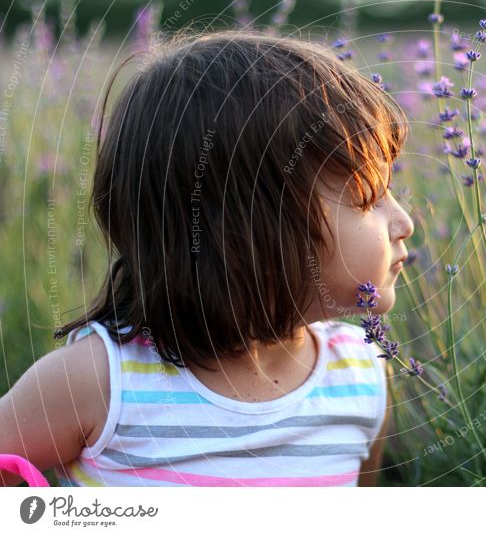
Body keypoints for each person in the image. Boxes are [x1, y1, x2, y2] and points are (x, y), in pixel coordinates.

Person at [0, 31, 414, 487]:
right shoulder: (98, 382)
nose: (404, 221)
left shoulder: (360, 375)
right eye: (368, 197)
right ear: (252, 227)